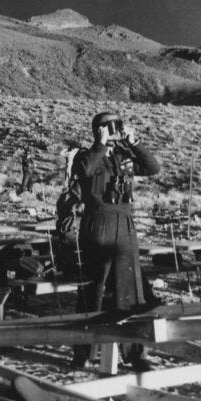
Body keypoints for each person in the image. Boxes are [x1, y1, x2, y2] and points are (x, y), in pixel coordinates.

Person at [69, 112, 160, 371]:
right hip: (98, 226)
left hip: (125, 226)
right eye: (109, 126)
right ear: (98, 130)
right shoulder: (86, 156)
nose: (114, 130)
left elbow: (153, 168)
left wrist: (134, 142)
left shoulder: (123, 155)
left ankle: (134, 354)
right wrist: (100, 143)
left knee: (129, 292)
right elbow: (85, 170)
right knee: (93, 291)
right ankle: (84, 352)